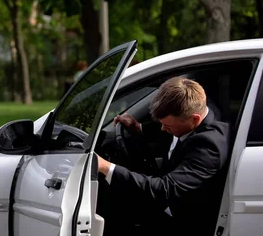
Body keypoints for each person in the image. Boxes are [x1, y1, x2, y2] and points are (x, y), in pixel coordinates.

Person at [96, 77, 231, 236]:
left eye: (168, 126)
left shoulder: (209, 147)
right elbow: (173, 132)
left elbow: (165, 190)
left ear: (195, 119)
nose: (162, 129)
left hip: (183, 221)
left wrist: (105, 167)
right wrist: (139, 128)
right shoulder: (197, 111)